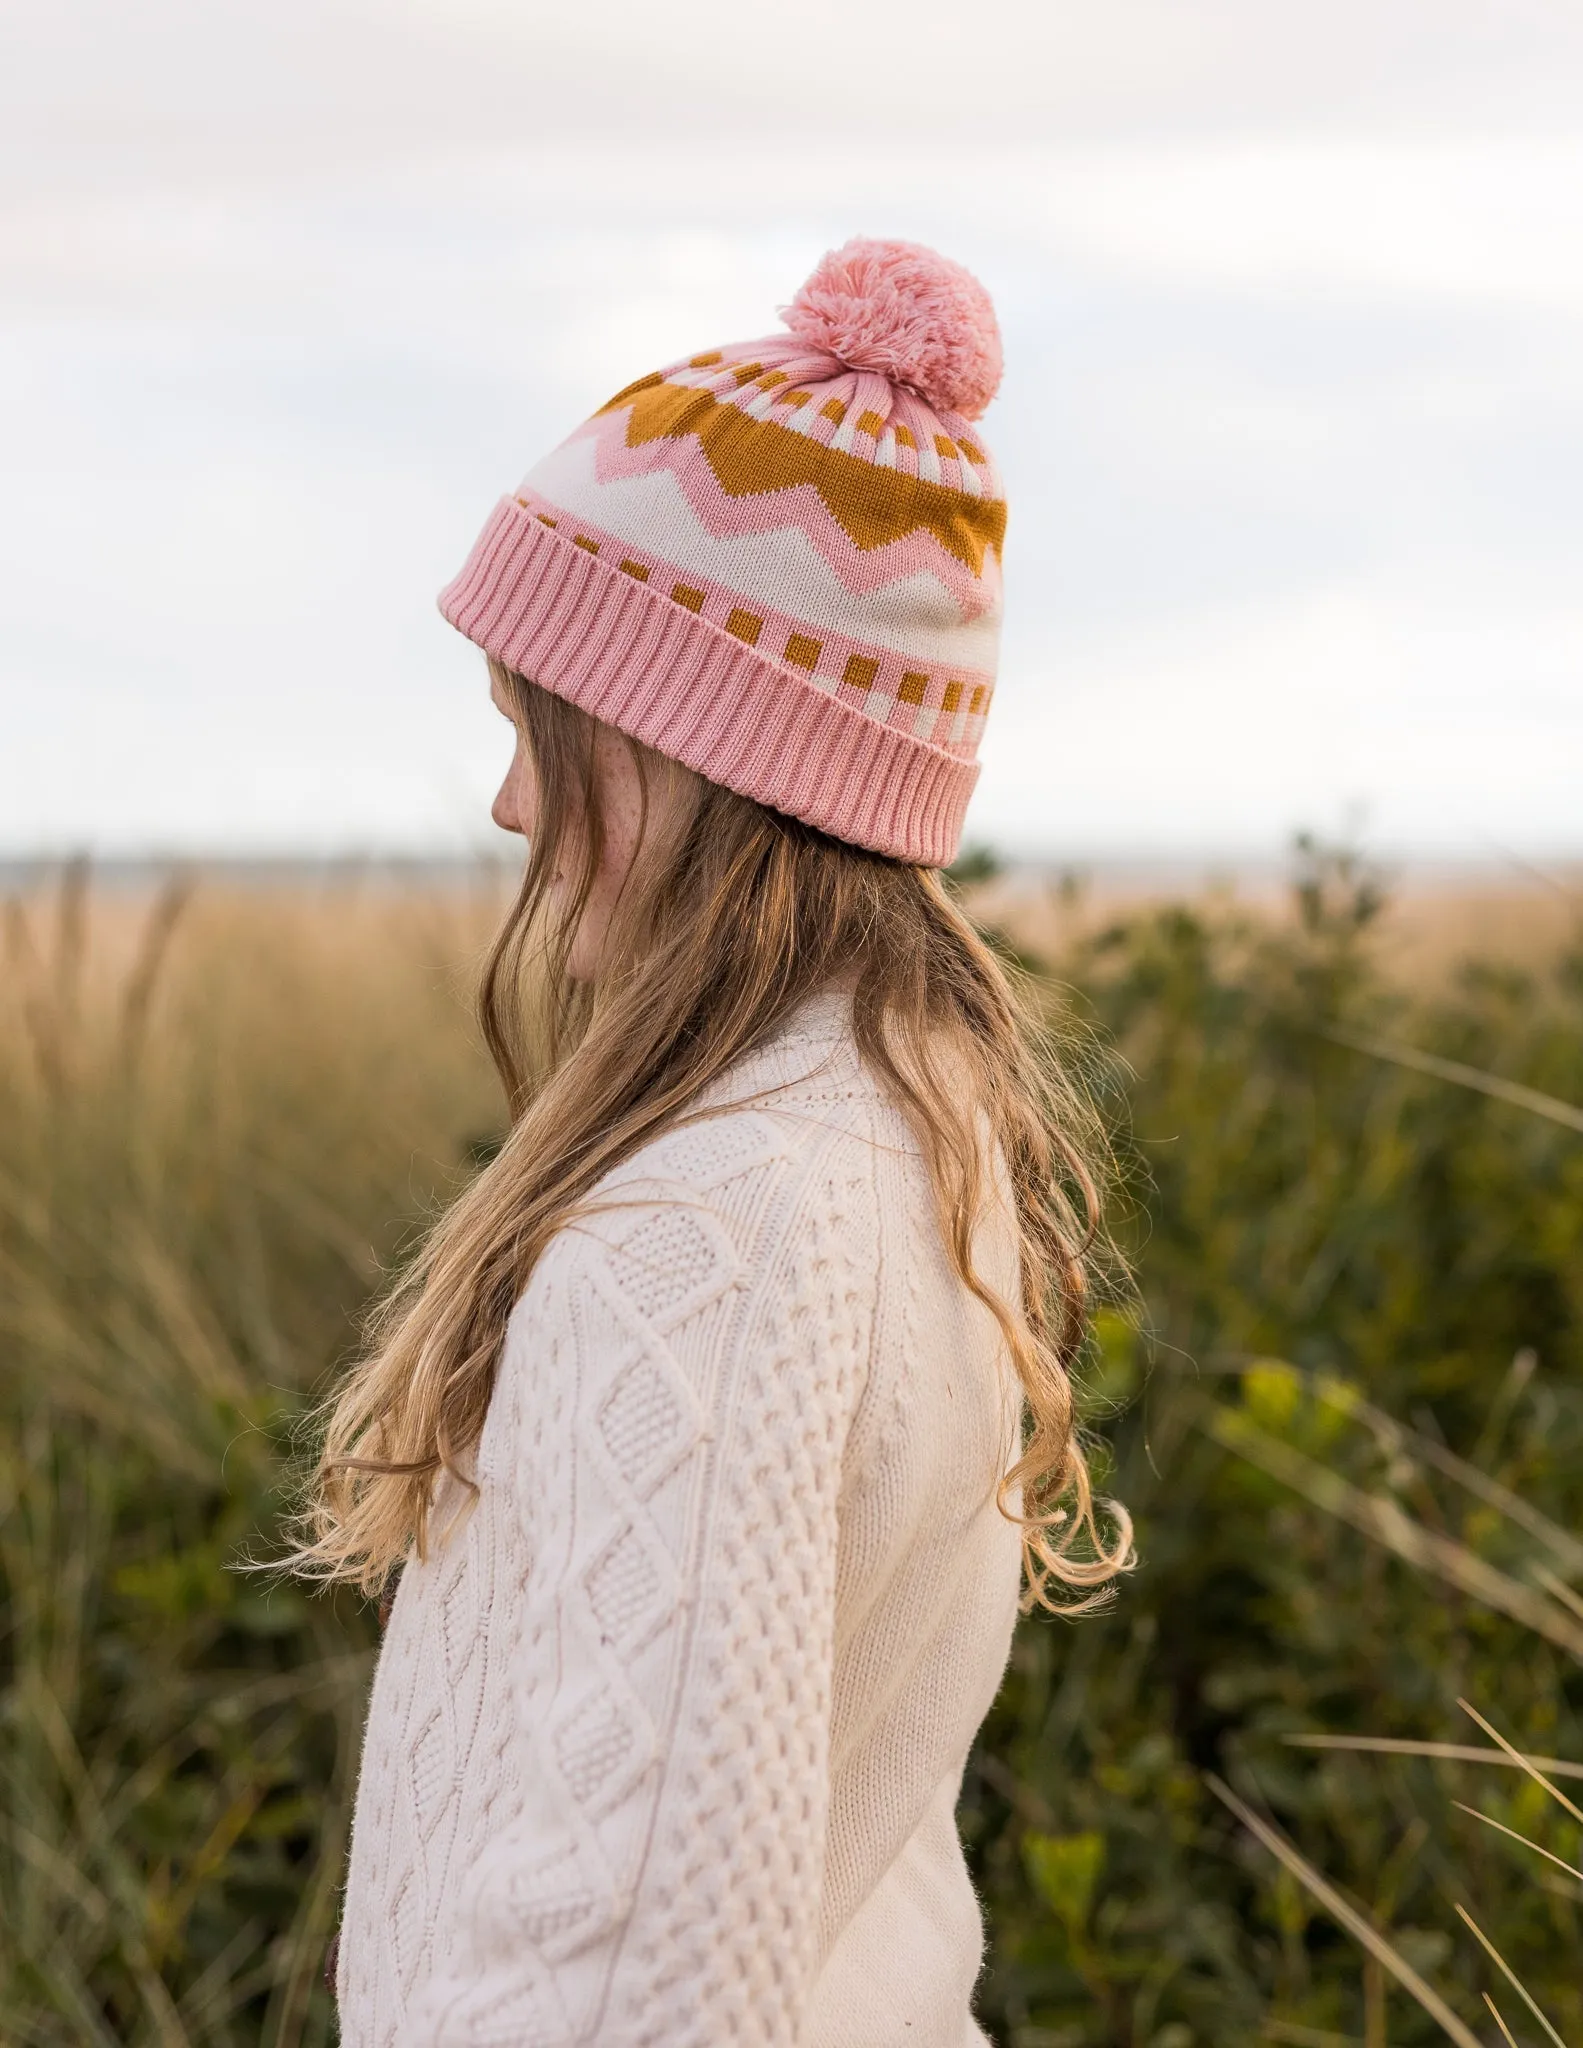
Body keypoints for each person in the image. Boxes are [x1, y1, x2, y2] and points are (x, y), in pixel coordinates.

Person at [288, 236, 1132, 2047]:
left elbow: (621, 1995)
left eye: (544, 730)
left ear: (695, 743)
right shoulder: (916, 1128)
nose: (511, 802)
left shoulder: (706, 1237)